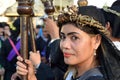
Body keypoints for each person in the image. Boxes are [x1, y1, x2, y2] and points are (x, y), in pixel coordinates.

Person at [16, 6, 120, 80]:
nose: (64, 45)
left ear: (96, 40)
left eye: (74, 37)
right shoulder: (73, 72)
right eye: (63, 37)